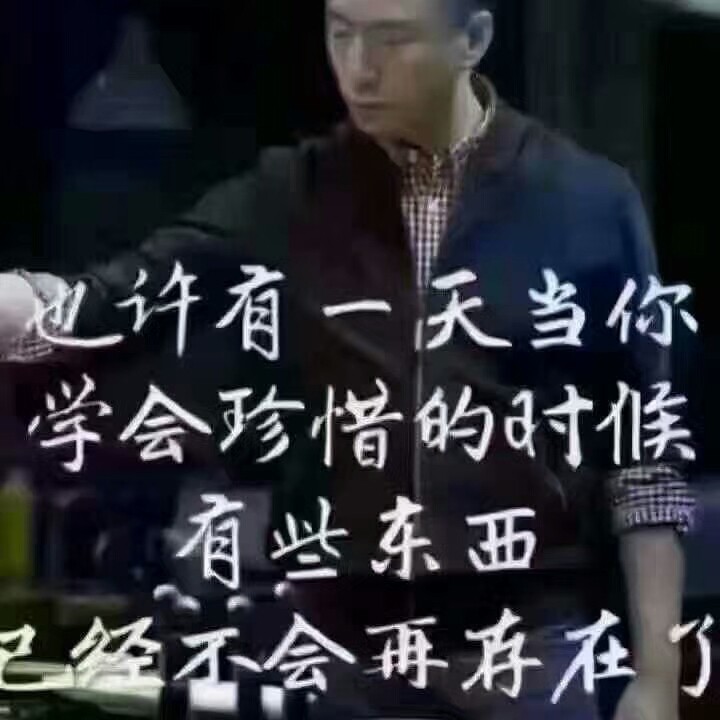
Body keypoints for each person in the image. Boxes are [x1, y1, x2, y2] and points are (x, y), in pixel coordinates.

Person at [0, 0, 696, 718]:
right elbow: (111, 299)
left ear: (473, 40)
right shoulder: (292, 192)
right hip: (345, 653)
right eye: (341, 34)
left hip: (527, 652)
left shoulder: (585, 201)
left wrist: (655, 677)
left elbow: (643, 455)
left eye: (392, 39)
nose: (359, 69)